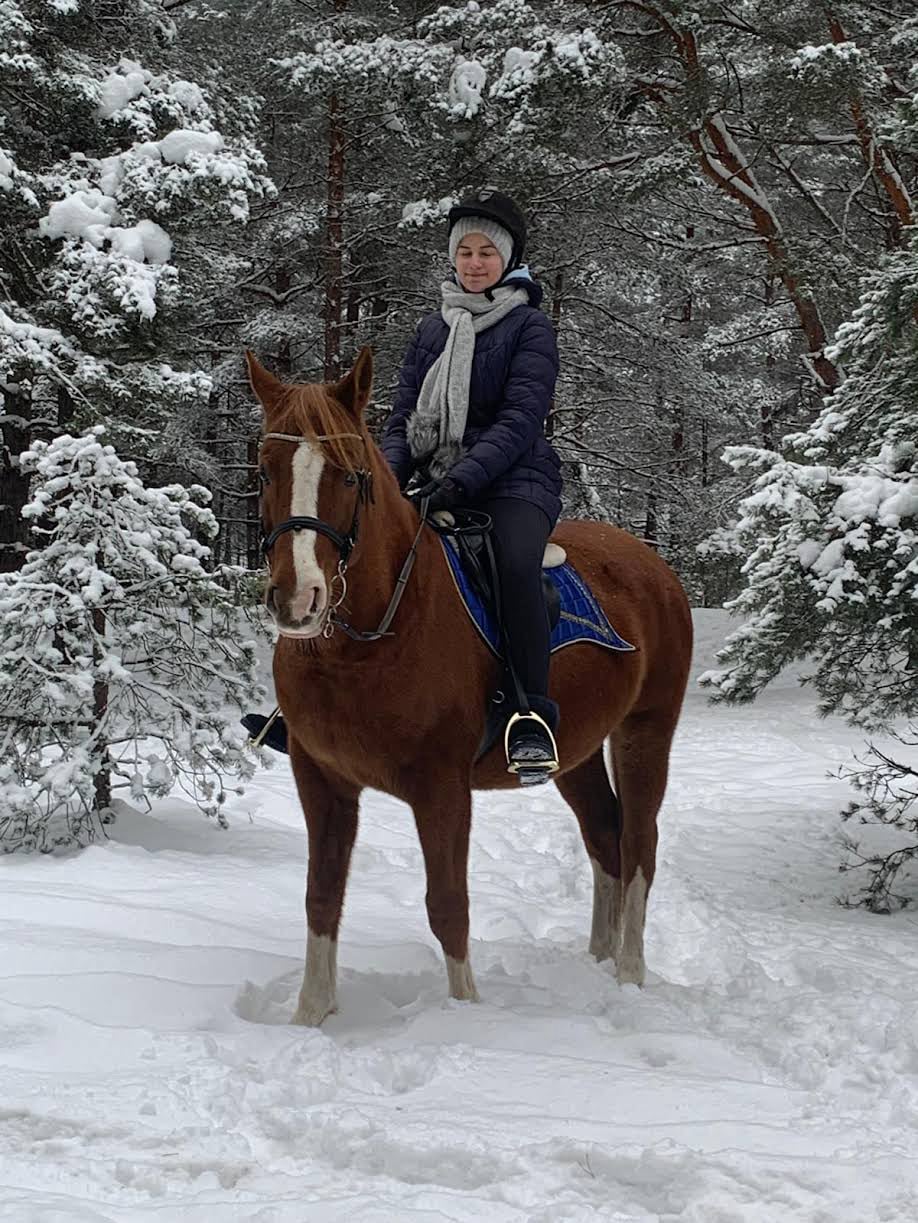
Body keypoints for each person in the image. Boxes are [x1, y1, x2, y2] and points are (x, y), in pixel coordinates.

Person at [381, 188, 563, 781]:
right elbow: (403, 416)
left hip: (515, 481)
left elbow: (519, 420)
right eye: (466, 251)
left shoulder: (529, 327)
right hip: (436, 479)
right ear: (453, 258)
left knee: (513, 565)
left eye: (488, 251)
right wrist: (388, 479)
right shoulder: (433, 329)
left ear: (508, 259)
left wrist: (461, 480)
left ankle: (531, 713)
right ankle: (314, 699)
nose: (476, 262)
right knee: (359, 545)